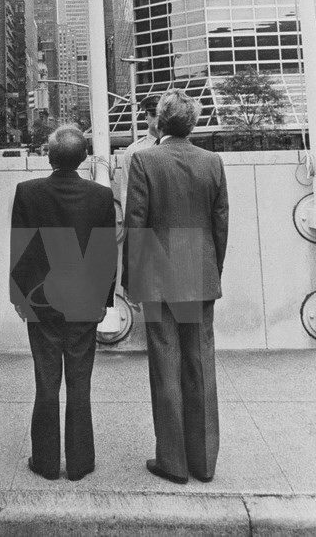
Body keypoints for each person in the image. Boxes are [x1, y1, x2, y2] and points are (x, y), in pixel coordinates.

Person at [123, 89, 229, 485]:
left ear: (160, 122)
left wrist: (131, 281)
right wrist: (213, 268)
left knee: (165, 365)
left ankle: (172, 461)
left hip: (159, 275)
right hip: (200, 273)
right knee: (201, 364)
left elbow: (136, 224)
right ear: (194, 123)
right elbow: (221, 222)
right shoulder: (212, 162)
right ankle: (203, 461)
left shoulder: (144, 161)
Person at [10, 125, 117, 481]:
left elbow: (20, 251)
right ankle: (80, 462)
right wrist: (105, 300)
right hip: (85, 301)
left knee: (46, 380)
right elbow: (105, 254)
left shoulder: (27, 192)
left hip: (42, 302)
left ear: (50, 157)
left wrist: (20, 296)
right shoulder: (101, 197)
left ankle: (45, 462)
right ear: (84, 157)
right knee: (80, 381)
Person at [114, 94, 160, 239]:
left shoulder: (176, 147)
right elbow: (127, 192)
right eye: (153, 114)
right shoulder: (134, 151)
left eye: (161, 114)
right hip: (145, 224)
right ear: (146, 116)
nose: (157, 119)